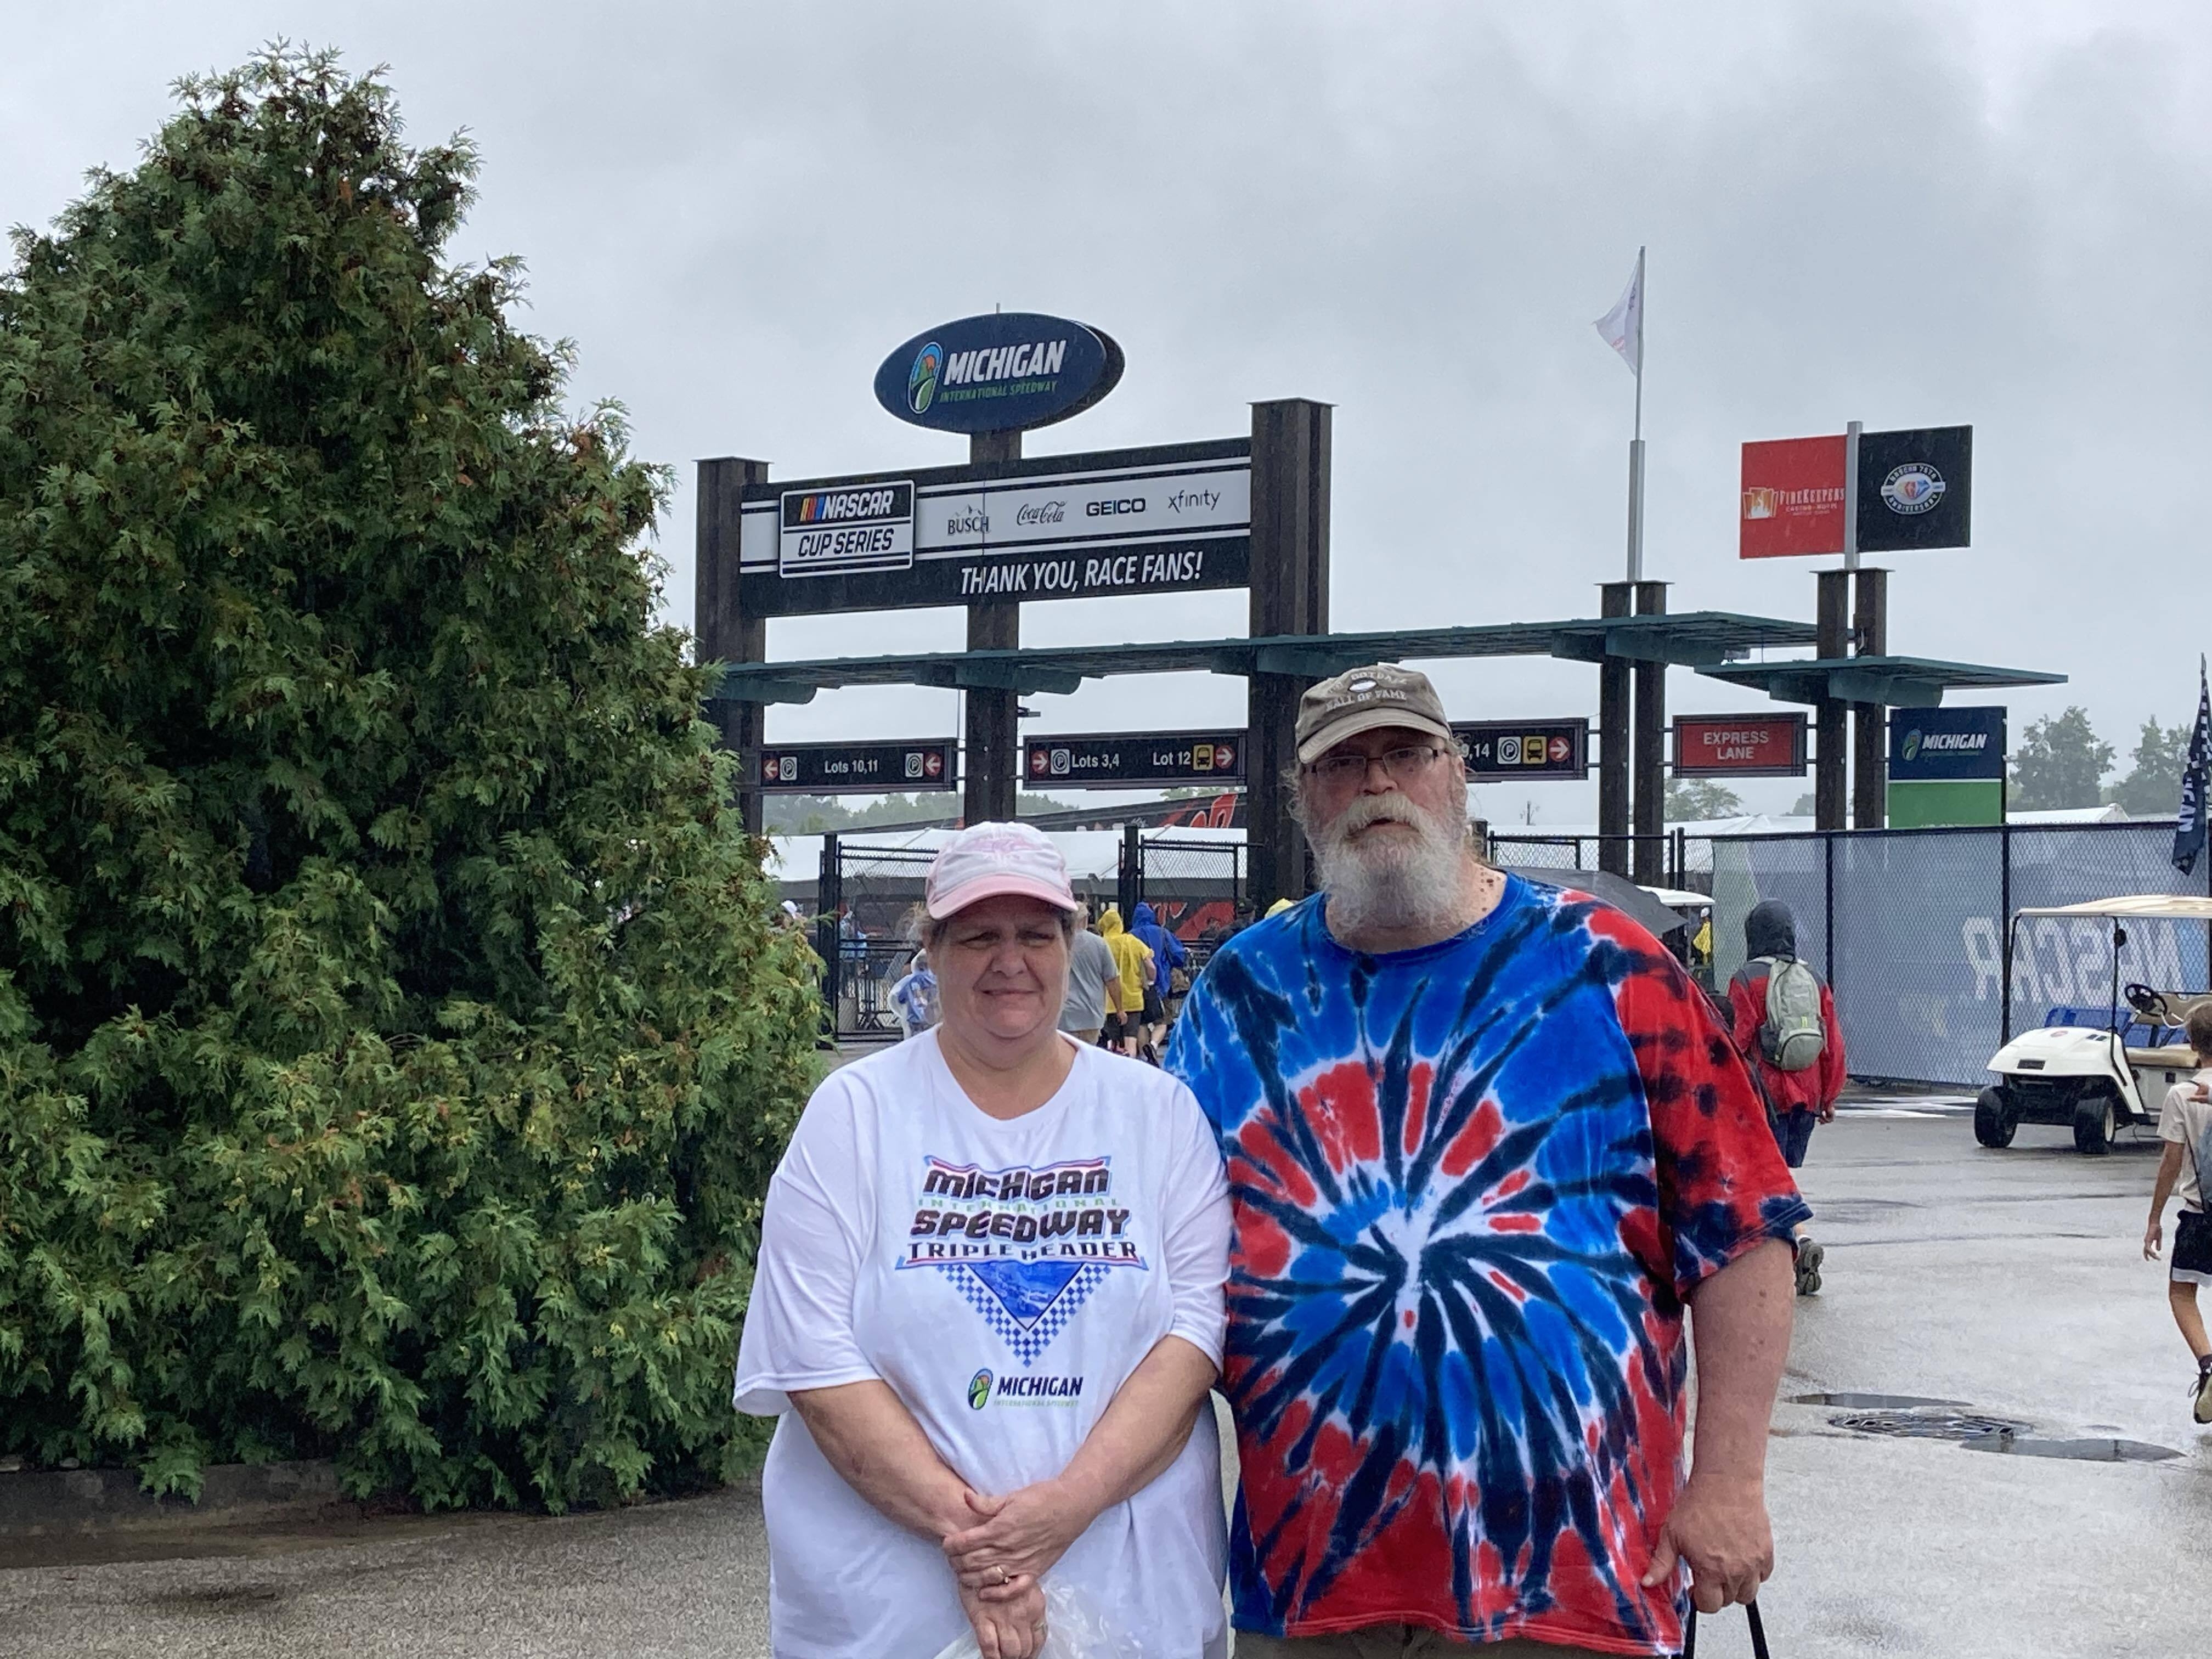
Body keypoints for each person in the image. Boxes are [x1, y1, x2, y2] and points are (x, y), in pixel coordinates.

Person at [1168, 662, 1807, 1659]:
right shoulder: (1240, 990)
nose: (1377, 784)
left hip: (1574, 1581)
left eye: (1405, 754)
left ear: (1456, 772)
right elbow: (1155, 1241)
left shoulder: (1610, 964)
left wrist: (1729, 1480)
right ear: (1303, 796)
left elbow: (1745, 1228)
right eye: (1342, 764)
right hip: (1306, 1580)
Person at [733, 822, 1232, 1659]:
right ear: (930, 950)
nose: (1010, 961)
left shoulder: (1158, 1114)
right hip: (891, 1610)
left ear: (1071, 945)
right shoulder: (854, 1114)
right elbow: (813, 1357)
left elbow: (1195, 1336)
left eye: (1036, 935)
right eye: (977, 937)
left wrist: (1066, 1507)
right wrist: (982, 1544)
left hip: (1127, 1603)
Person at [1728, 900, 1847, 1296]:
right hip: (1808, 1095)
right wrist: (1828, 1096)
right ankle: (1791, 1247)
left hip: (1766, 1095)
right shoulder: (1814, 978)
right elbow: (1832, 1041)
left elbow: (1739, 1040)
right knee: (1776, 1174)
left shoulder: (1747, 979)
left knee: (1763, 1176)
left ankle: (1795, 1243)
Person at [2142, 1000, 2212, 1425]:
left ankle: (2208, 1364)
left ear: (2191, 1044)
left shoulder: (2183, 1095)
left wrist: (2154, 1218)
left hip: (2201, 1215)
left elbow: (2171, 1160)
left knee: (2182, 1293)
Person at [1127, 902, 1186, 1058]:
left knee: (1142, 1022)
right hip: (1162, 984)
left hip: (1138, 985)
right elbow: (1178, 956)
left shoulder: (1130, 936)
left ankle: (1144, 1055)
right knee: (1163, 1021)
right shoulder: (1163, 933)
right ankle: (1153, 1045)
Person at [1095, 907, 1154, 1060]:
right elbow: (1151, 967)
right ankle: (1130, 1065)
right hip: (1133, 999)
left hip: (1109, 1001)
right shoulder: (1132, 941)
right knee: (1130, 1042)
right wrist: (1150, 981)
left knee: (1113, 1042)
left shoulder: (1101, 944)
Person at [1058, 907, 1120, 1048]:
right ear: (1085, 919)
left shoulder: (1060, 942)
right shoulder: (1099, 944)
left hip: (1064, 1014)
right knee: (1087, 1054)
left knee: (1066, 1054)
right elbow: (1112, 979)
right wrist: (1120, 1009)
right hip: (1091, 1015)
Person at [889, 948, 939, 1039]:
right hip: (916, 1017)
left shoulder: (914, 981)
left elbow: (899, 998)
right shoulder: (916, 981)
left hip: (917, 1017)